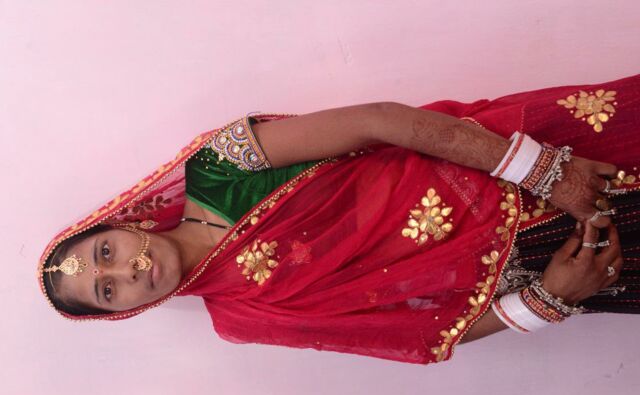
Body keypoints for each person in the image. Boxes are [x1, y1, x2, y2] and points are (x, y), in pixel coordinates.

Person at [37, 73, 640, 365]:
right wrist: (545, 302)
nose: (128, 270)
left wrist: (547, 172)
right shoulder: (241, 319)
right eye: (107, 291)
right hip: (551, 263)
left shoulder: (218, 167)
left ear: (124, 225)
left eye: (105, 253)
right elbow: (410, 329)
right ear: (128, 310)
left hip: (524, 160)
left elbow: (379, 120)